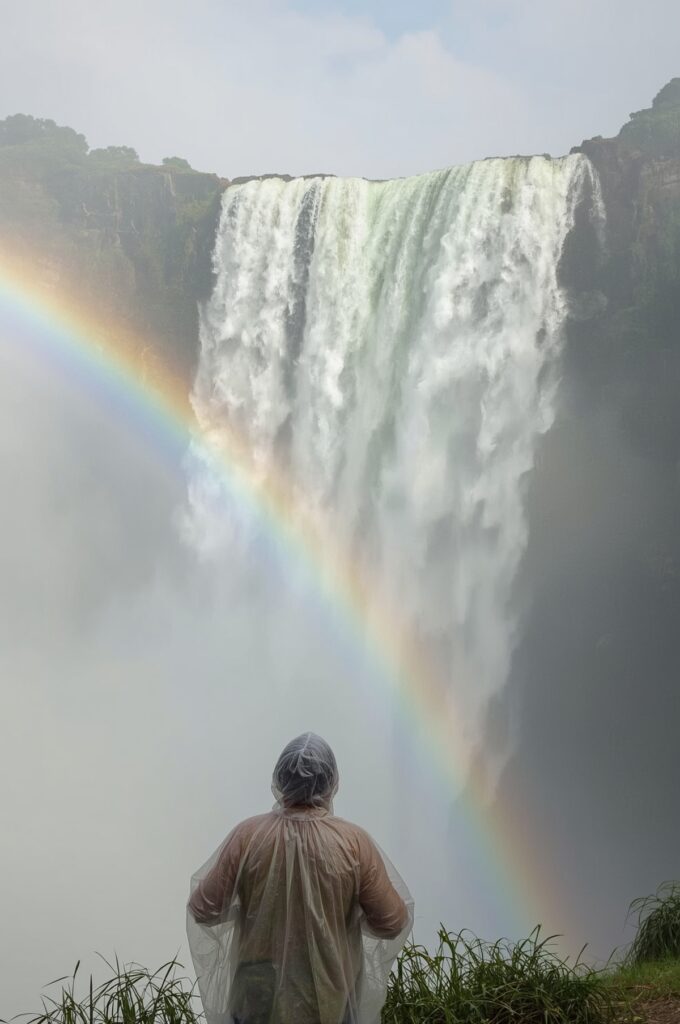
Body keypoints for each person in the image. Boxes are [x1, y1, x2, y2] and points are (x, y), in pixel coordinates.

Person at [187, 733, 413, 1024]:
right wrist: (348, 915)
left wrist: (248, 911)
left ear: (280, 779)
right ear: (331, 782)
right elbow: (392, 921)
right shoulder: (353, 844)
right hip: (328, 1000)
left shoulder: (248, 837)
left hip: (257, 1000)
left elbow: (203, 908)